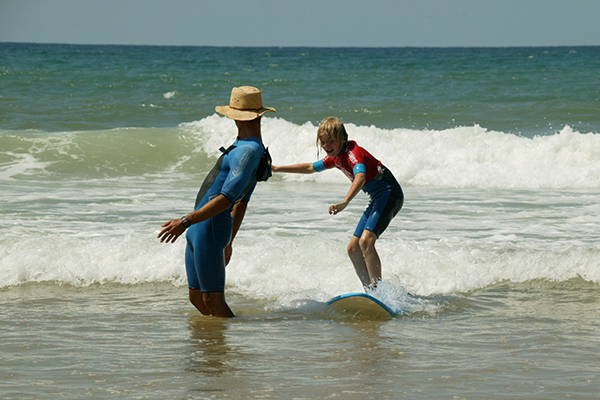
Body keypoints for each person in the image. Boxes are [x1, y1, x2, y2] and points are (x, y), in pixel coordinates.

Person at [158, 86, 275, 317]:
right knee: (197, 298)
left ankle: (229, 347)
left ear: (235, 116)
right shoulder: (244, 146)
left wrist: (185, 221)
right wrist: (229, 240)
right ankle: (214, 347)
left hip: (207, 229)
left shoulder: (249, 150)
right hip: (199, 229)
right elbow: (242, 203)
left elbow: (228, 199)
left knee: (213, 299)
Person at [273, 117, 403, 290]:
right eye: (323, 142)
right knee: (353, 249)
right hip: (377, 197)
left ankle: (380, 291)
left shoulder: (352, 154)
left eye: (331, 141)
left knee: (366, 242)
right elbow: (310, 168)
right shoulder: (335, 157)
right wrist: (276, 169)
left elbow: (361, 176)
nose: (327, 146)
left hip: (389, 193)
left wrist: (345, 201)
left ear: (343, 139)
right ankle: (370, 291)